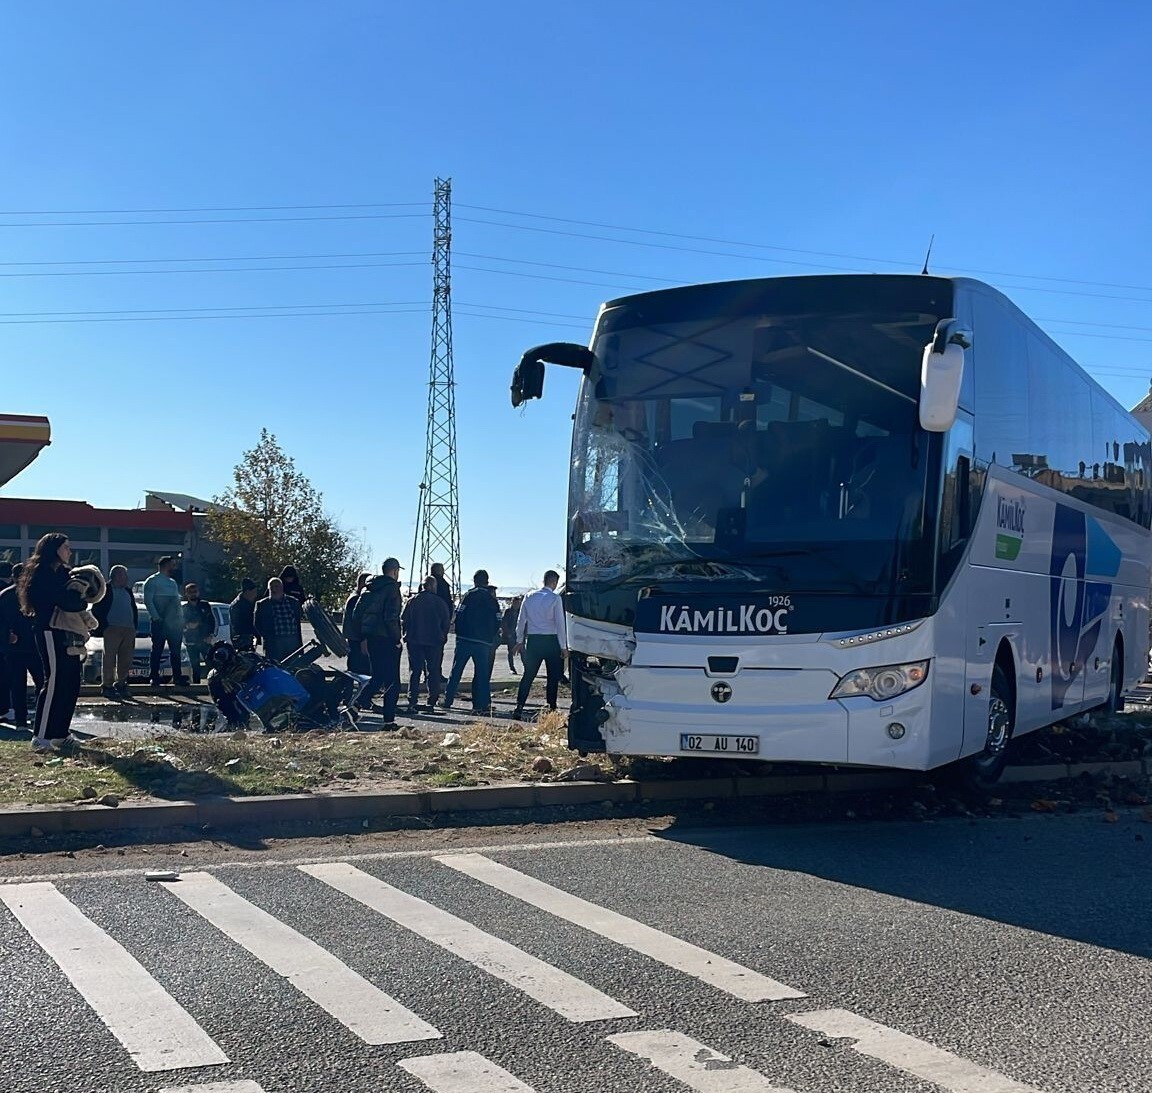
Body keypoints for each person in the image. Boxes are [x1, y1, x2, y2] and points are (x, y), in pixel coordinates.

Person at [18, 533, 88, 750]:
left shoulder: (65, 573)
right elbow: (66, 601)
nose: (70, 551)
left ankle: (60, 733)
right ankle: (40, 736)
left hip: (69, 632)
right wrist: (74, 597)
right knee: (55, 681)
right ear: (54, 548)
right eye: (66, 547)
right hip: (49, 631)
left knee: (71, 682)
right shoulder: (41, 574)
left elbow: (79, 602)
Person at [348, 558, 404, 726]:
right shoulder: (392, 588)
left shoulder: (368, 588)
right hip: (387, 638)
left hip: (371, 638)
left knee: (378, 676)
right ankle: (388, 720)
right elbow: (391, 617)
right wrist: (397, 639)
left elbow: (357, 614)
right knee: (393, 681)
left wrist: (364, 635)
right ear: (394, 571)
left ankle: (356, 705)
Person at [442, 569, 500, 715]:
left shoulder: (468, 596)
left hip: (465, 639)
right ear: (487, 581)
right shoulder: (491, 599)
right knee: (482, 674)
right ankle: (482, 704)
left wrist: (459, 632)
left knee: (456, 671)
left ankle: (447, 700)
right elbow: (498, 619)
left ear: (474, 581)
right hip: (483, 642)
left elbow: (459, 615)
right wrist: (490, 635)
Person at [513, 570, 568, 720]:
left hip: (534, 641)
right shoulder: (555, 598)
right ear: (554, 582)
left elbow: (521, 621)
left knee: (528, 675)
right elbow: (560, 624)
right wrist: (563, 646)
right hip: (551, 641)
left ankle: (519, 706)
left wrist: (519, 641)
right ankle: (551, 707)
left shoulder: (529, 596)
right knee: (552, 676)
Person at [0, 564, 45, 726]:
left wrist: (6, 637)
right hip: (30, 646)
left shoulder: (5, 595)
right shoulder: (31, 594)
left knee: (18, 684)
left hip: (18, 647)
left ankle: (21, 718)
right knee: (39, 681)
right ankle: (40, 716)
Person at [402, 575, 451, 713]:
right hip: (434, 642)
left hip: (414, 641)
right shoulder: (440, 603)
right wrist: (443, 636)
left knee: (415, 671)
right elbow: (446, 622)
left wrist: (405, 636)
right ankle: (432, 699)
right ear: (431, 586)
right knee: (433, 671)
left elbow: (403, 619)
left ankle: (412, 699)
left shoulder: (412, 601)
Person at [92, 564, 138, 698]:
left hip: (128, 628)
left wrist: (134, 626)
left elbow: (133, 608)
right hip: (112, 628)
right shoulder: (105, 590)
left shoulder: (128, 591)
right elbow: (97, 608)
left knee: (126, 659)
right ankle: (107, 685)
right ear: (116, 576)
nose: (126, 578)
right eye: (124, 575)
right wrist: (104, 625)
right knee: (109, 658)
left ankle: (122, 683)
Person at [142, 556, 188, 686]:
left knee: (176, 651)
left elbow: (177, 603)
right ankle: (154, 676)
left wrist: (180, 619)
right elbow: (148, 601)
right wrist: (156, 617)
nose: (174, 568)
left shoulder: (172, 583)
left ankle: (177, 677)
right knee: (157, 649)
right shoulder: (152, 581)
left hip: (174, 622)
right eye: (172, 565)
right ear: (165, 566)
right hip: (159, 621)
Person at [254, 578, 302, 663]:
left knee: (294, 667)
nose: (274, 589)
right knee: (275, 668)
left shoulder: (293, 602)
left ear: (282, 588)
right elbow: (257, 624)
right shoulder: (262, 605)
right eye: (271, 587)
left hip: (292, 642)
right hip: (274, 644)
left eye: (276, 586)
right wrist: (267, 636)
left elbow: (298, 621)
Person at [181, 582, 217, 684]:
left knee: (210, 663)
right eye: (190, 592)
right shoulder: (184, 609)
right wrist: (188, 626)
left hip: (204, 640)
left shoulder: (205, 606)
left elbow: (211, 621)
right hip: (191, 642)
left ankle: (213, 684)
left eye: (195, 591)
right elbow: (180, 624)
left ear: (198, 592)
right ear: (186, 594)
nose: (193, 594)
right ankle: (196, 685)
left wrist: (210, 635)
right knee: (195, 665)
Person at [343, 571, 371, 674]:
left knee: (354, 667)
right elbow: (357, 621)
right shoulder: (356, 599)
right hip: (357, 639)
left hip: (354, 638)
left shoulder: (354, 597)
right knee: (360, 669)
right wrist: (363, 639)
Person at [229, 578, 259, 652]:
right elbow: (237, 626)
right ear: (248, 591)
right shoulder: (237, 606)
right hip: (242, 641)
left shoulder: (250, 603)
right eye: (254, 592)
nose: (256, 595)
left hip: (250, 639)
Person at [501, 595, 523, 675]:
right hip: (511, 634)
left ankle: (526, 667)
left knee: (522, 651)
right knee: (510, 651)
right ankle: (512, 668)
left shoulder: (521, 611)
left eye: (518, 603)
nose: (516, 604)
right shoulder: (508, 611)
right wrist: (507, 633)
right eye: (515, 603)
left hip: (519, 634)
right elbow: (504, 623)